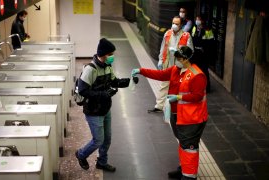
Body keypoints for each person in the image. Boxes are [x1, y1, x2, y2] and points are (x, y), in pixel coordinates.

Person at [132, 46, 208, 180]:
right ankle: (183, 168)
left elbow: (198, 96)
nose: (176, 61)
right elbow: (160, 75)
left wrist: (179, 97)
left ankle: (189, 176)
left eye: (178, 58)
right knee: (183, 144)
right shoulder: (175, 70)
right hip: (178, 115)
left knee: (189, 147)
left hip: (191, 118)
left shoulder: (197, 75)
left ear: (186, 59)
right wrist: (141, 71)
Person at [75, 38, 136, 172]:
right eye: (110, 54)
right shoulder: (90, 69)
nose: (112, 57)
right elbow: (83, 90)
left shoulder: (108, 66)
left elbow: (114, 82)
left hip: (105, 109)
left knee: (107, 139)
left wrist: (130, 81)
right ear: (103, 54)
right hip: (93, 111)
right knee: (98, 140)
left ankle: (102, 162)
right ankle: (81, 154)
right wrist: (103, 94)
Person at [148, 16, 193, 113]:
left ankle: (178, 108)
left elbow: (190, 51)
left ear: (181, 25)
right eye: (173, 23)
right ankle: (159, 106)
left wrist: (178, 52)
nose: (174, 25)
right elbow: (163, 48)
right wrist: (160, 60)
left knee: (179, 87)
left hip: (180, 66)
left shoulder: (186, 36)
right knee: (164, 85)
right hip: (168, 64)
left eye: (177, 24)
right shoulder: (167, 34)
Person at [191, 16, 214, 93]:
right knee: (194, 70)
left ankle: (206, 88)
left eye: (199, 19)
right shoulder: (194, 28)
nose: (197, 21)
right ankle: (195, 86)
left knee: (204, 71)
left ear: (202, 21)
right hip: (195, 53)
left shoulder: (208, 30)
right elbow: (192, 39)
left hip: (204, 54)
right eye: (196, 19)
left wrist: (206, 52)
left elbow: (211, 44)